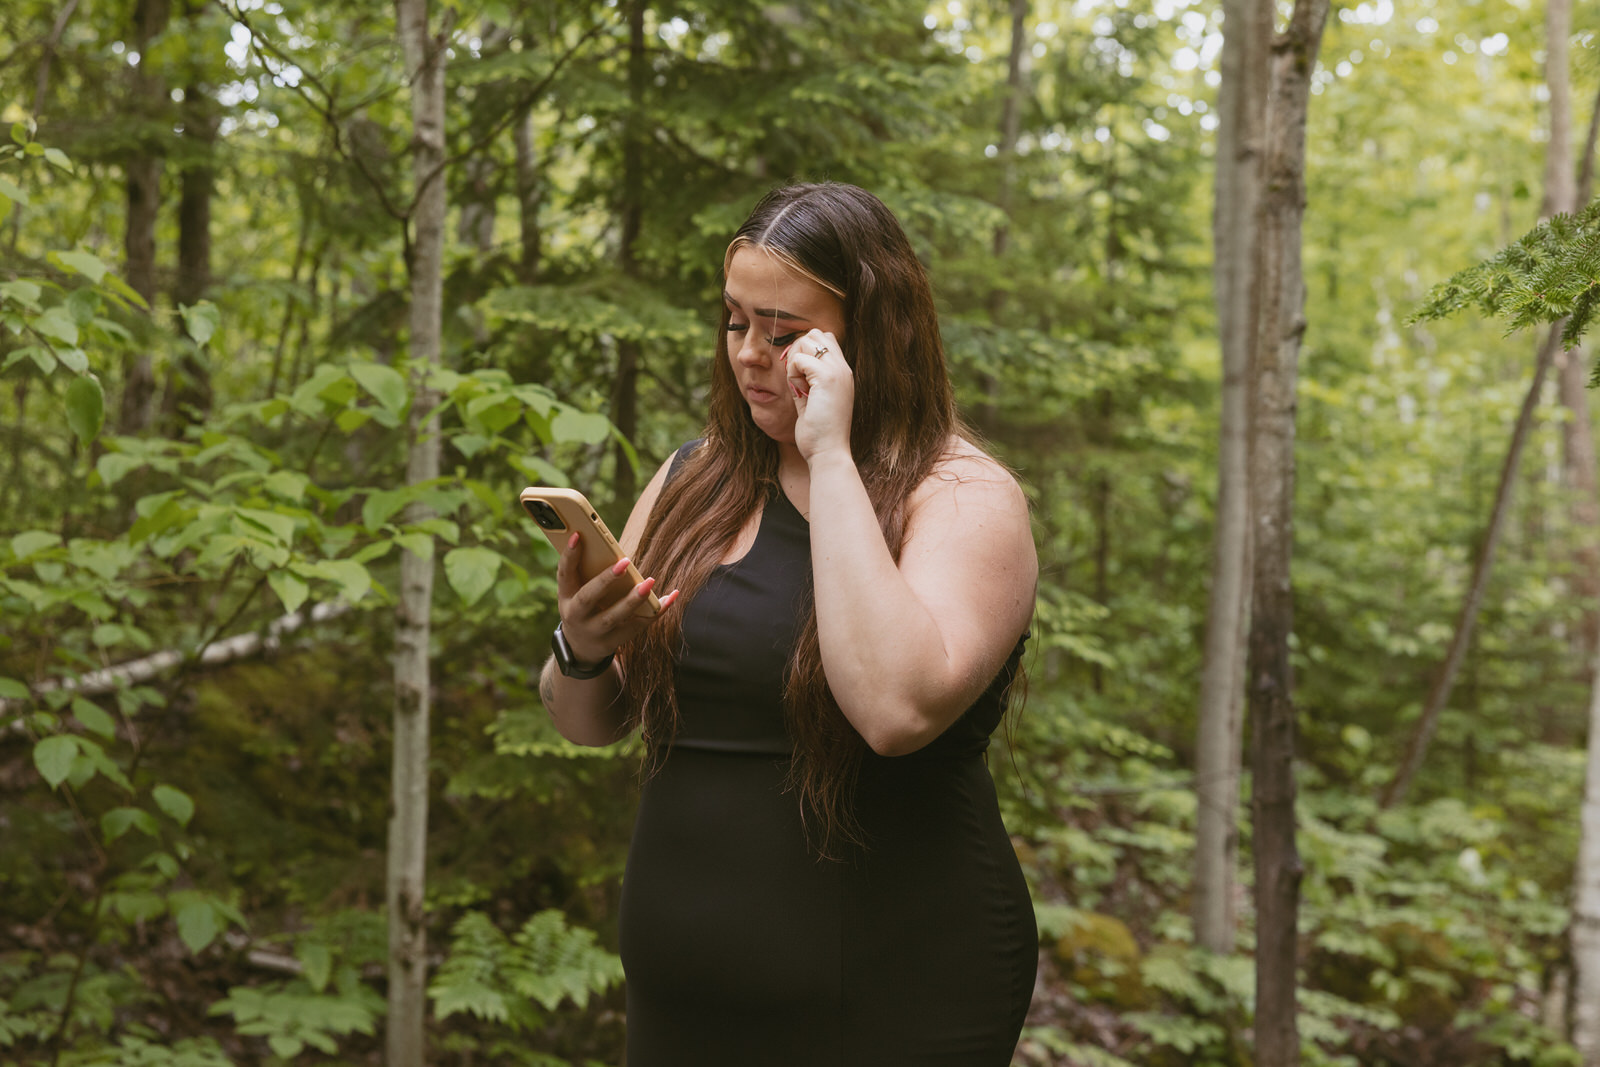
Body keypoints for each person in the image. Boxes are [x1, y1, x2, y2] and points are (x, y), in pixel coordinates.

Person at [538, 182, 1038, 1066]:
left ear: (877, 336)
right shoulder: (698, 476)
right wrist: (581, 644)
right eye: (736, 324)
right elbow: (588, 720)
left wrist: (831, 456)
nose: (752, 357)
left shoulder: (963, 497)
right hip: (684, 1000)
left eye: (786, 333)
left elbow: (894, 708)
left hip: (895, 990)